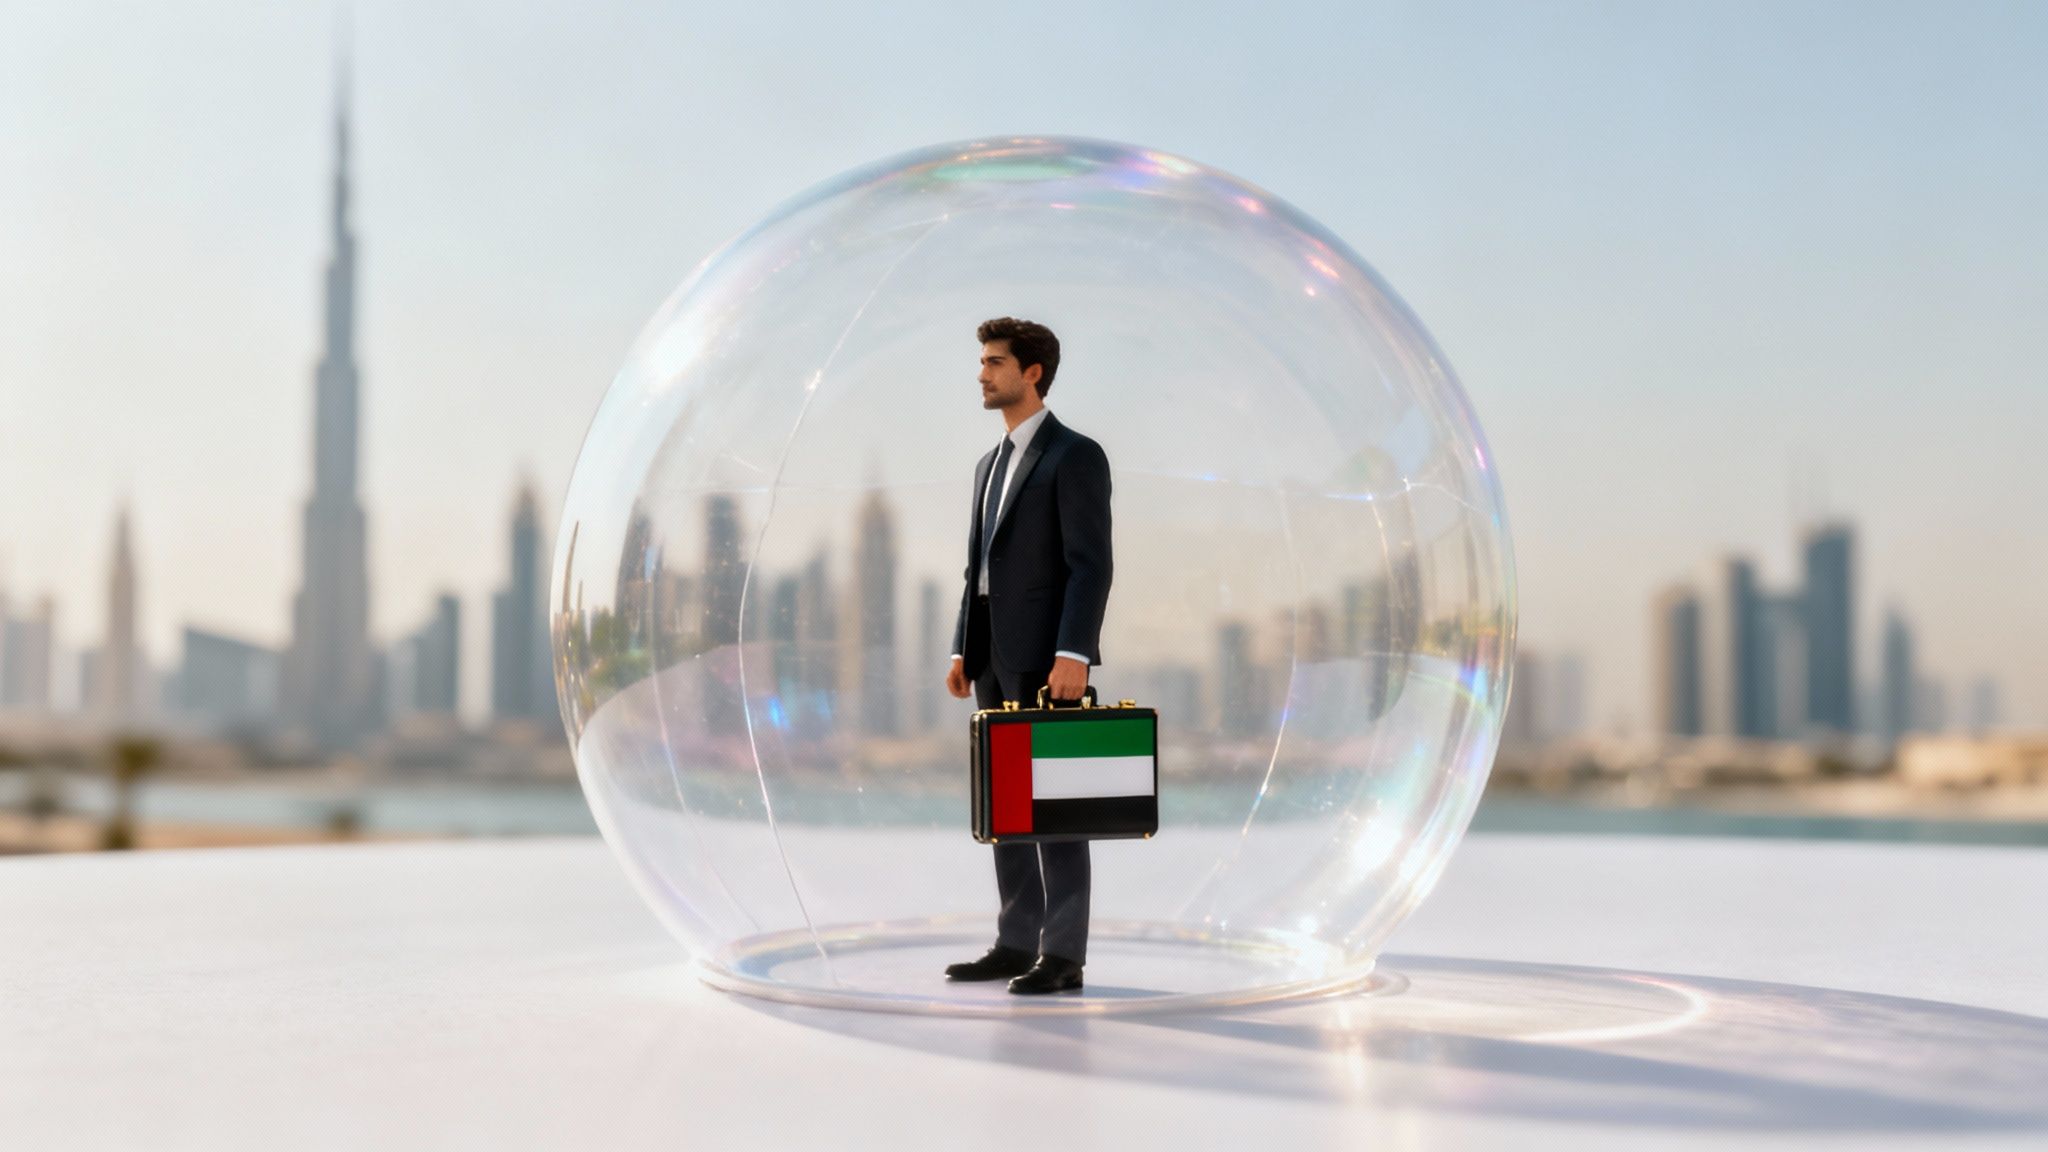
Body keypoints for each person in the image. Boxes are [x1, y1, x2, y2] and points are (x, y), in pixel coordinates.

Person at [943, 316, 1113, 996]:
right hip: (990, 653)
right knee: (1006, 802)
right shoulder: (990, 463)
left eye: (993, 362)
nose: (982, 374)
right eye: (982, 362)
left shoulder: (1075, 456)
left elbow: (1091, 565)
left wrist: (1076, 651)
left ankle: (1063, 954)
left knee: (1058, 807)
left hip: (1047, 656)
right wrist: (963, 645)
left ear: (1031, 372)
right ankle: (1016, 941)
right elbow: (976, 567)